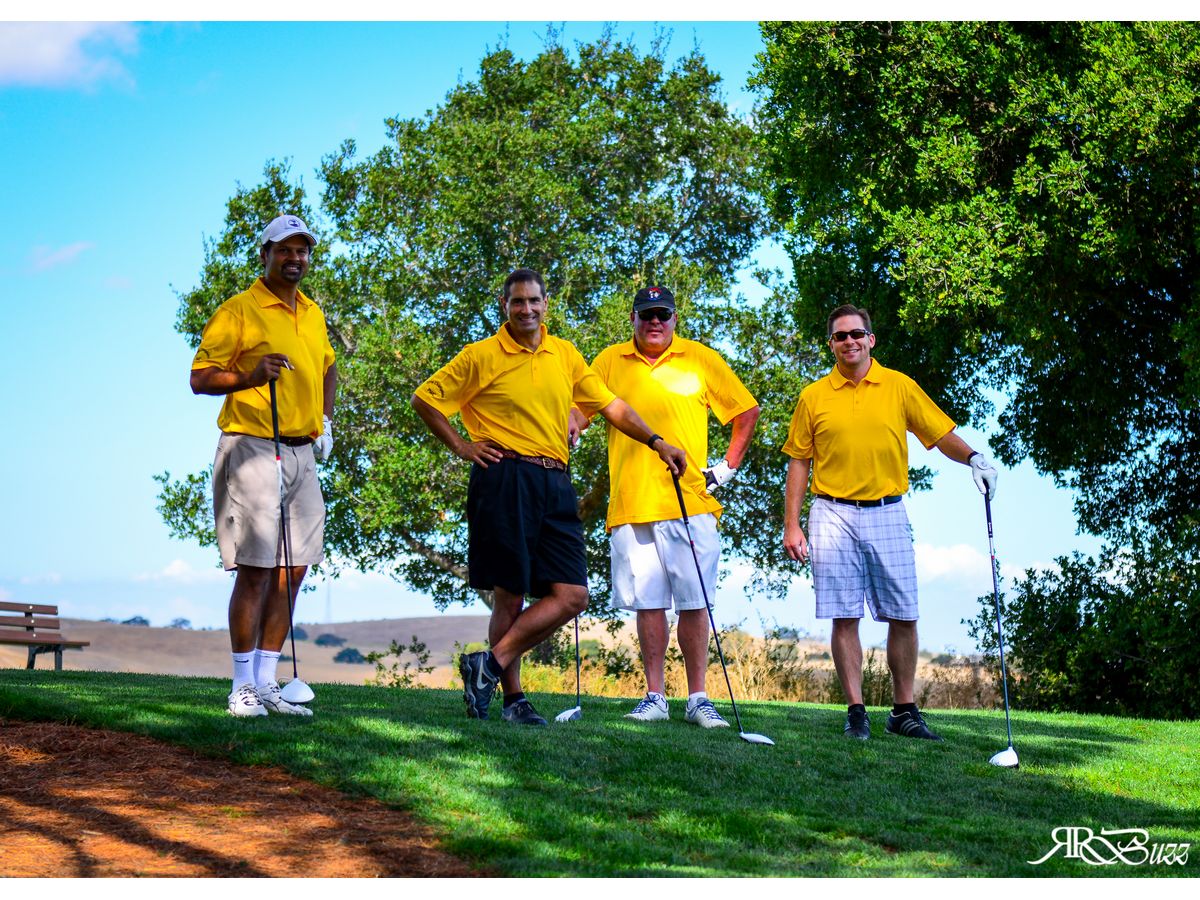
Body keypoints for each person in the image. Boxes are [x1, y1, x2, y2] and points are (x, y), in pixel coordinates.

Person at [411, 268, 687, 726]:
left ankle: (488, 665)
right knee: (510, 595)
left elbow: (610, 406)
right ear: (505, 305)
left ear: (545, 305)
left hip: (555, 479)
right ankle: (514, 700)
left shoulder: (565, 353)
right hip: (505, 476)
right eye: (517, 301)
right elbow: (425, 399)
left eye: (533, 301)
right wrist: (462, 446)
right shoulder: (481, 355)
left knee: (573, 594)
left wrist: (658, 442)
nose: (526, 309)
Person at [781, 304, 997, 741]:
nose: (849, 341)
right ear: (831, 344)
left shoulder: (899, 386)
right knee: (844, 615)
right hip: (831, 512)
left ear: (871, 339)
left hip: (887, 509)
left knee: (904, 613)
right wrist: (792, 524)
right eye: (840, 336)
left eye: (856, 334)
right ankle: (856, 711)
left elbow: (939, 434)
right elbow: (799, 461)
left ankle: (903, 710)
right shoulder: (813, 396)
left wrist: (974, 457)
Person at [585, 286, 760, 728]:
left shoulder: (700, 358)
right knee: (648, 604)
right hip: (632, 503)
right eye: (646, 315)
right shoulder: (609, 361)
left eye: (662, 314)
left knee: (694, 602)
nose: (655, 322)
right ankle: (655, 697)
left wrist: (726, 469)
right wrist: (565, 432)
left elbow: (746, 411)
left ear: (674, 318)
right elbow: (579, 409)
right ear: (633, 319)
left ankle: (698, 698)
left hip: (690, 501)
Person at [190, 214, 337, 718]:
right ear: (265, 255)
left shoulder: (312, 312)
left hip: (301, 451)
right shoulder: (238, 310)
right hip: (252, 446)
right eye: (284, 250)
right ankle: (241, 686)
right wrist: (250, 376)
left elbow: (328, 366)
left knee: (293, 570)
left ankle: (268, 681)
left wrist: (324, 420)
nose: (295, 259)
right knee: (256, 569)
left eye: (302, 250)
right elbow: (200, 378)